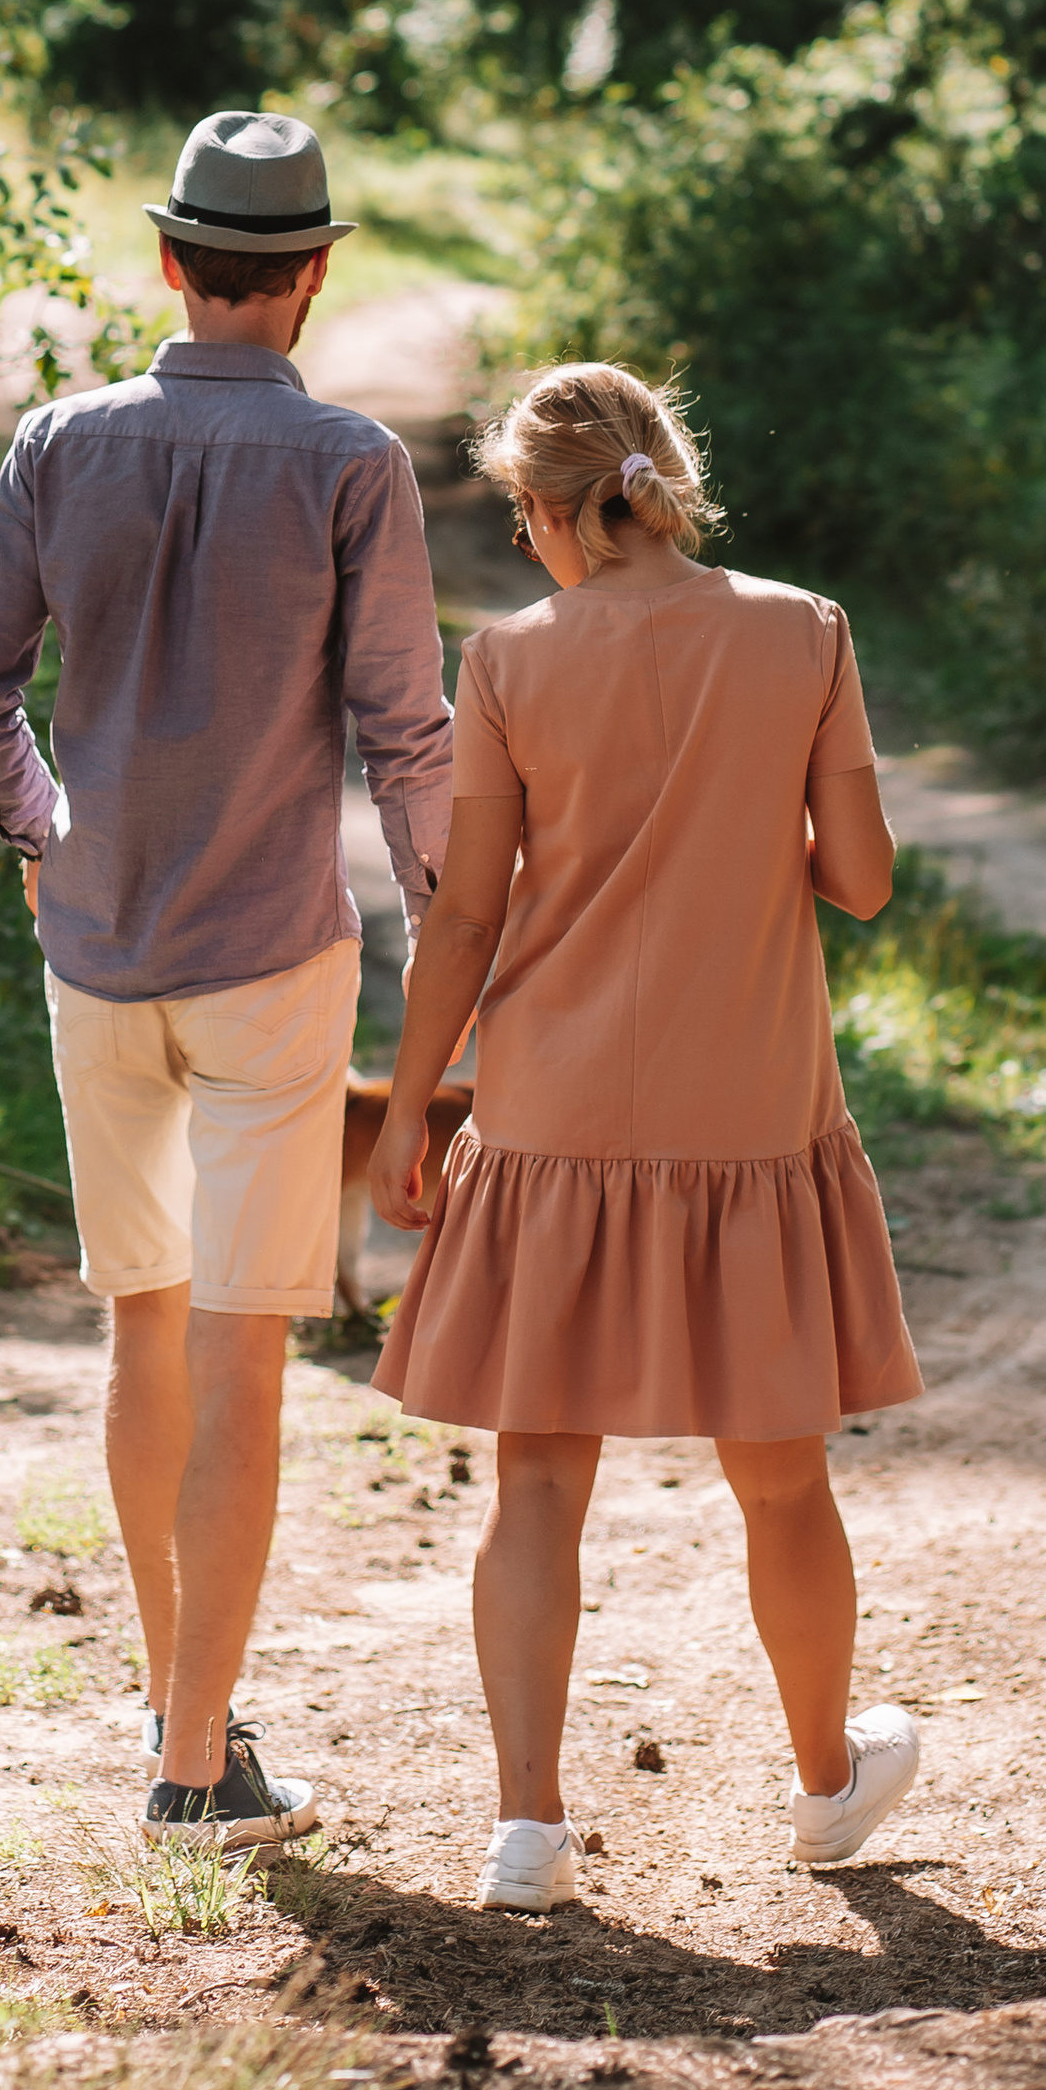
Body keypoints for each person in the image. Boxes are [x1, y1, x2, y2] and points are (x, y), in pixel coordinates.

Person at [0, 109, 452, 1851]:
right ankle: (190, 1759)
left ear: (170, 261)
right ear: (310, 277)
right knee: (241, 1360)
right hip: (271, 964)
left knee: (140, 1331)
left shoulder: (61, 443)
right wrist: (460, 922)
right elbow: (404, 736)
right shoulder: (354, 466)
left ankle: (185, 1719)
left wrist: (43, 833)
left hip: (99, 948)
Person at [369, 359, 923, 1915]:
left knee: (536, 1483)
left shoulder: (512, 661)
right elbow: (863, 879)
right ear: (661, 480)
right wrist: (752, 818)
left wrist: (410, 1107)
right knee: (781, 1477)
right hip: (750, 1110)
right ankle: (827, 1785)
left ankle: (530, 1836)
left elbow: (466, 910)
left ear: (547, 513)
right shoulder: (803, 631)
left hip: (549, 1115)